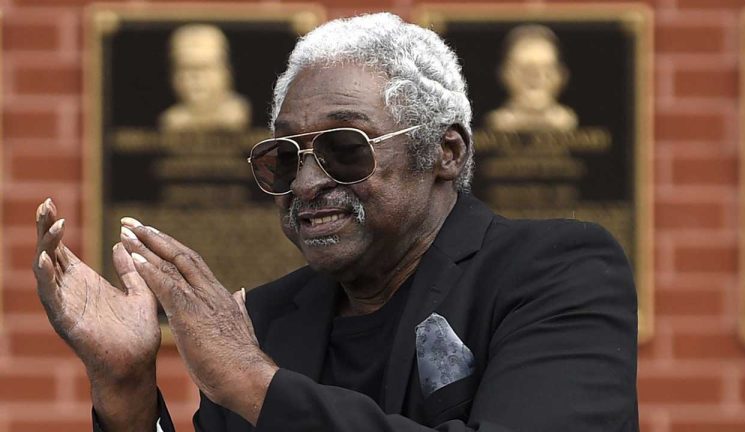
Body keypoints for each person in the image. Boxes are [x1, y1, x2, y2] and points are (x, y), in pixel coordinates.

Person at [33, 13, 638, 432]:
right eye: (285, 157)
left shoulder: (557, 271)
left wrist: (254, 384)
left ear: (444, 153)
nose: (306, 183)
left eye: (346, 149)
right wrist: (126, 386)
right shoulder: (264, 322)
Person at [485, 25, 578, 133]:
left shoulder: (567, 121)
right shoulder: (496, 122)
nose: (535, 78)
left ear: (561, 76)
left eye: (545, 70)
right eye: (525, 70)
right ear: (505, 74)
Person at [158, 24, 251, 132]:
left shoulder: (237, 112)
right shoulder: (172, 118)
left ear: (226, 71)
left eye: (205, 68)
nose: (196, 78)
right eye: (186, 69)